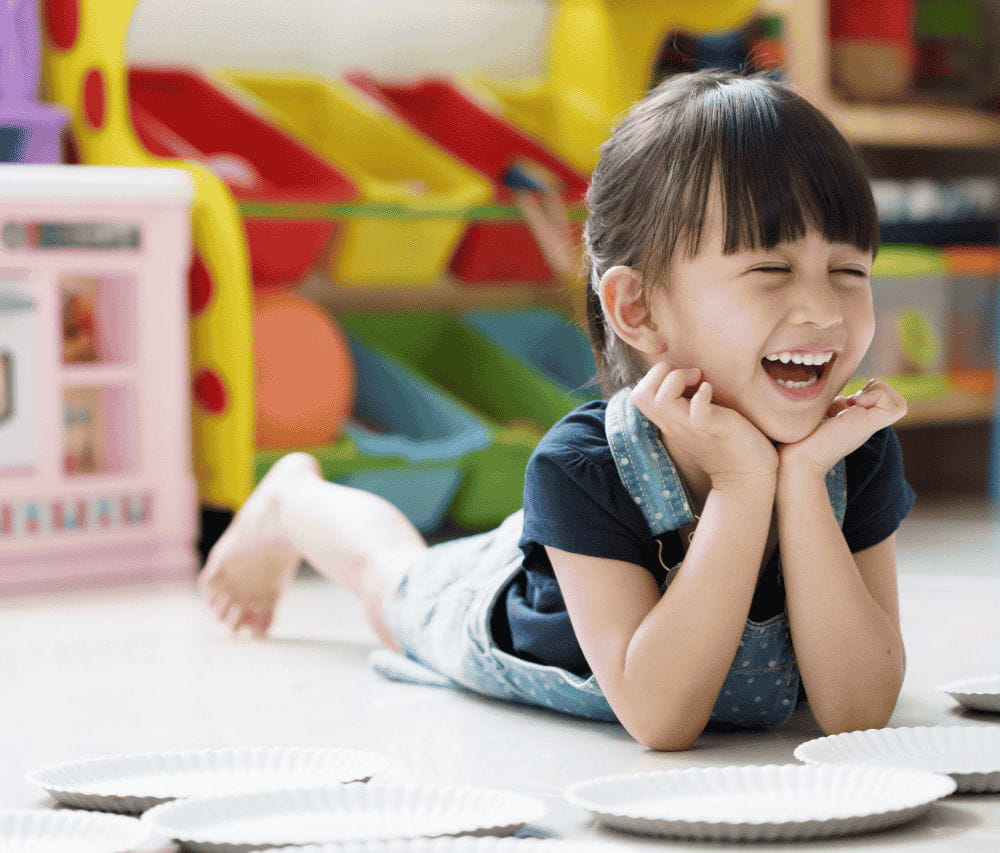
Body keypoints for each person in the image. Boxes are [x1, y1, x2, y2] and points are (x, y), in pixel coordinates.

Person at [199, 69, 914, 751]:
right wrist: (742, 484)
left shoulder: (850, 453)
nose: (823, 309)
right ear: (638, 308)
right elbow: (662, 716)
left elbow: (857, 708)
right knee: (391, 576)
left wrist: (799, 483)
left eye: (850, 271)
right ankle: (291, 499)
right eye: (771, 269)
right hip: (497, 603)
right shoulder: (582, 465)